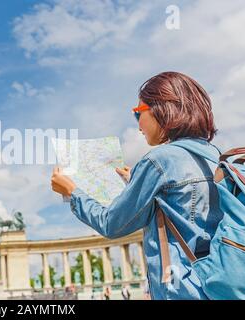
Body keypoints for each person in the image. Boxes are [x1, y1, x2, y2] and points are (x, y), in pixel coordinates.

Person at [51, 72, 223, 300]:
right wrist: (137, 181)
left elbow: (111, 224)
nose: (138, 124)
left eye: (137, 113)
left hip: (182, 290)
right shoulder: (216, 156)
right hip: (219, 285)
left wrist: (72, 193)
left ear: (162, 110)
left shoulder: (159, 160)